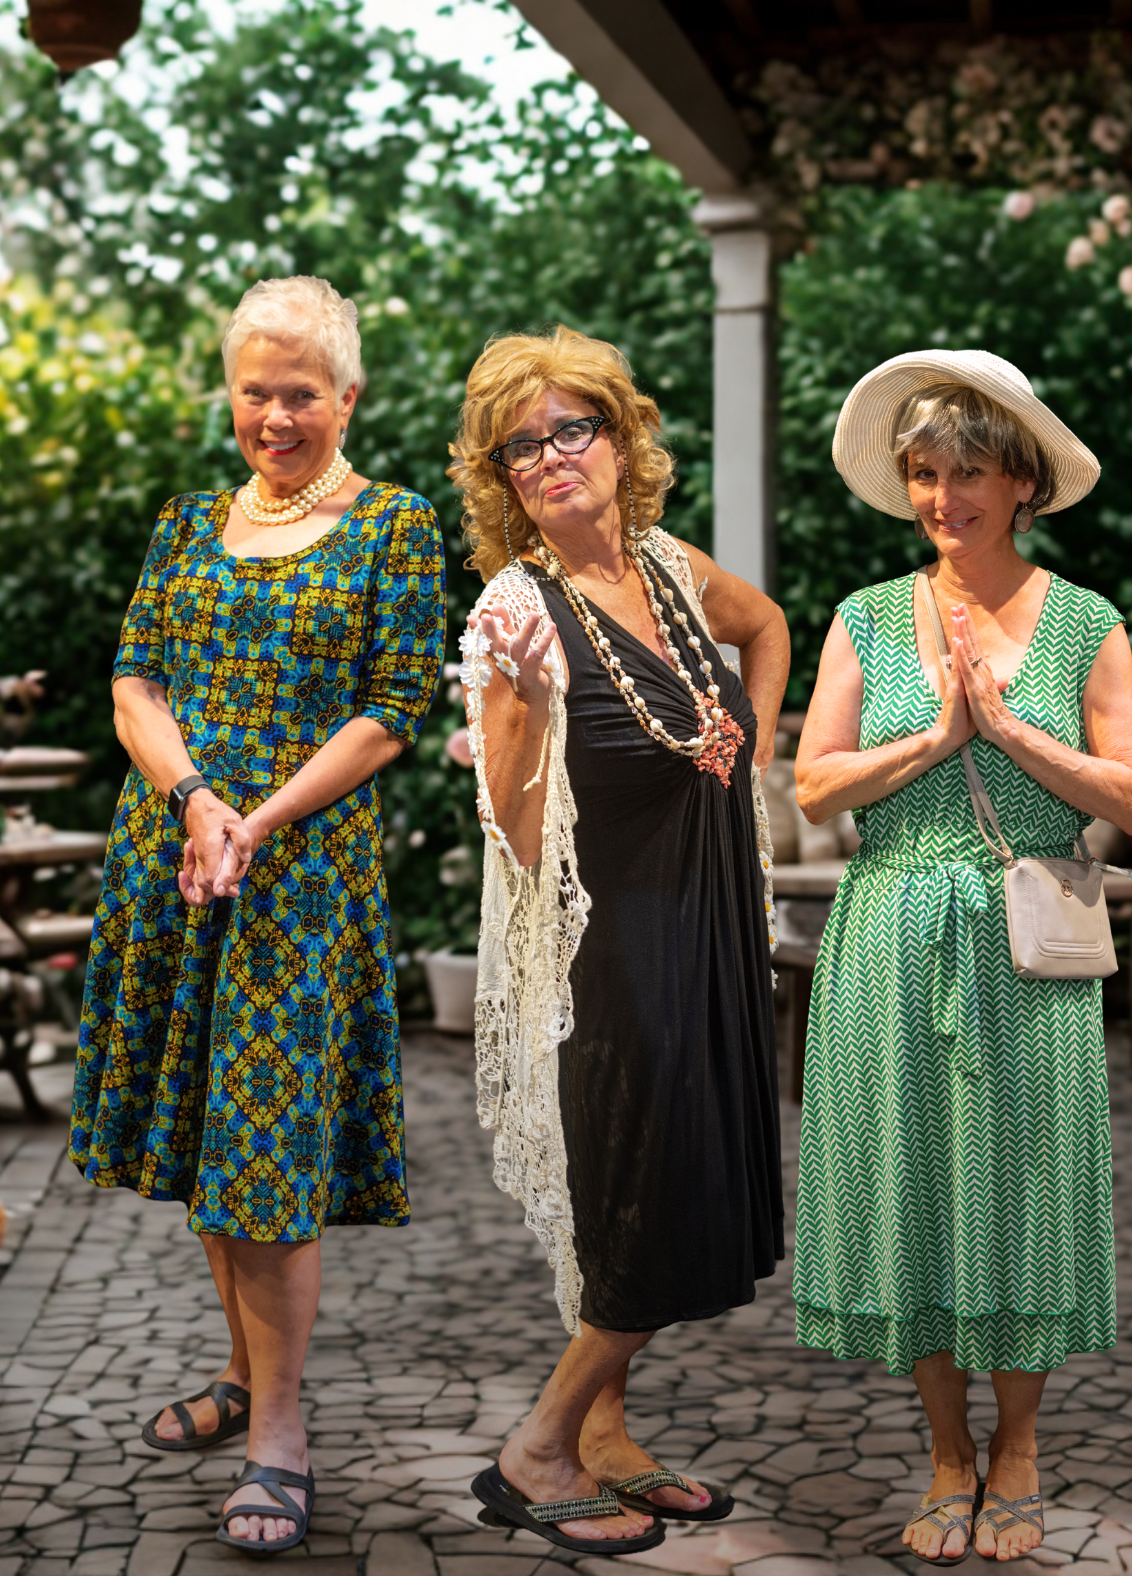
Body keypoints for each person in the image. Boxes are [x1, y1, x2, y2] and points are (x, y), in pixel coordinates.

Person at [69, 275, 445, 1553]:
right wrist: (194, 800)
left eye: (301, 394)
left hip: (298, 883)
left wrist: (256, 819)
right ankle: (241, 1375)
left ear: (348, 396)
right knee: (206, 1138)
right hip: (177, 860)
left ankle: (278, 1434)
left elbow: (393, 707)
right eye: (254, 392)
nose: (275, 417)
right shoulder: (185, 525)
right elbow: (133, 680)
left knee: (265, 1153)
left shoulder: (395, 526)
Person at [791, 352, 1132, 1566]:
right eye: (923, 474)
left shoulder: (1085, 622)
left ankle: (1020, 1445)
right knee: (912, 1192)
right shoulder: (864, 616)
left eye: (968, 474)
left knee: (1024, 1189)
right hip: (890, 931)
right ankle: (948, 1452)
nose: (943, 498)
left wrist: (1004, 731)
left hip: (1022, 940)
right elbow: (813, 786)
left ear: (1021, 485)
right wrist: (936, 737)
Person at [453, 326, 788, 1556]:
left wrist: (749, 745)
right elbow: (514, 834)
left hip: (707, 918)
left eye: (570, 429)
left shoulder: (669, 565)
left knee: (687, 1183)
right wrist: (535, 709)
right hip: (613, 951)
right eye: (520, 446)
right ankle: (538, 1446)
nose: (550, 456)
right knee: (648, 1196)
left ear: (618, 436)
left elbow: (769, 626)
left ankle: (604, 1437)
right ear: (502, 477)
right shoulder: (513, 609)